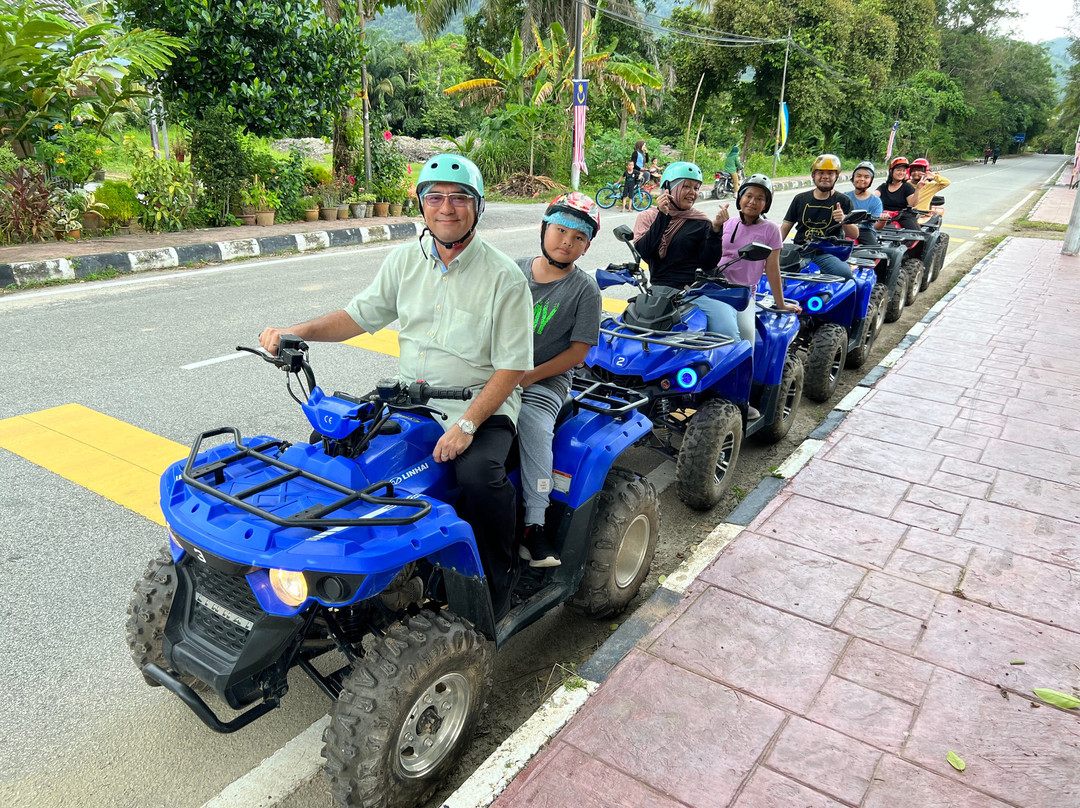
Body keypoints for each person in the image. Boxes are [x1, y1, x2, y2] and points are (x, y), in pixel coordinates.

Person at [257, 154, 534, 617]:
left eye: (460, 197)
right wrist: (297, 332)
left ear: (478, 207)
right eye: (436, 197)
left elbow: (512, 369)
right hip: (411, 398)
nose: (448, 207)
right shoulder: (406, 260)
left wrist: (467, 424)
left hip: (479, 406)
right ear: (422, 206)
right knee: (335, 450)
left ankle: (493, 584)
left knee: (478, 479)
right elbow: (356, 317)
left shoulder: (504, 277)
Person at [514, 193, 602, 567]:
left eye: (578, 237)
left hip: (545, 379)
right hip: (492, 369)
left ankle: (534, 524)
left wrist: (530, 376)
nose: (567, 241)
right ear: (543, 229)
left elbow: (578, 352)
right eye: (561, 230)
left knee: (532, 425)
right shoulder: (512, 271)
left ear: (586, 247)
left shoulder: (585, 291)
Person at [632, 161, 726, 308]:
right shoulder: (649, 217)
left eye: (696, 188)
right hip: (657, 293)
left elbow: (708, 263)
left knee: (727, 328)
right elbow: (644, 250)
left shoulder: (701, 222)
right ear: (669, 188)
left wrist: (715, 230)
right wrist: (663, 216)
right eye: (686, 186)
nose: (692, 193)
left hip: (690, 292)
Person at [780, 153, 858, 281]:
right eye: (821, 173)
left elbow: (855, 234)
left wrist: (844, 220)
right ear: (813, 175)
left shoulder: (843, 201)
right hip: (799, 251)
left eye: (830, 173)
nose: (825, 177)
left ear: (836, 176)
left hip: (826, 253)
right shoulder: (800, 199)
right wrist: (770, 250)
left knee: (846, 275)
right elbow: (784, 229)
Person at [876, 156, 920, 231]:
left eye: (904, 170)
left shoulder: (907, 187)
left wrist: (918, 188)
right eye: (898, 170)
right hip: (884, 216)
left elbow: (913, 204)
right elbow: (874, 196)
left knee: (915, 234)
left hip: (902, 216)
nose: (901, 173)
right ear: (891, 171)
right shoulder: (884, 187)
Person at [845, 160, 883, 244]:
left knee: (874, 252)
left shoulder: (875, 201)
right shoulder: (844, 197)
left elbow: (876, 224)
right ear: (853, 177)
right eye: (859, 176)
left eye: (866, 177)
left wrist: (882, 222)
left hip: (865, 230)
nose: (862, 179)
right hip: (845, 229)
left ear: (871, 180)